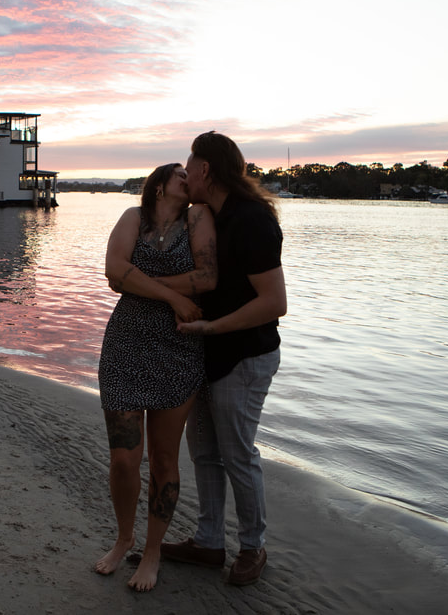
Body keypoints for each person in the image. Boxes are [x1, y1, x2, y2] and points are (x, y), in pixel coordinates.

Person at [161, 131, 287, 587]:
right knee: (205, 454)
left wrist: (211, 328)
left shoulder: (251, 219)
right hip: (207, 354)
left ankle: (253, 547)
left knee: (237, 454)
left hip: (244, 355)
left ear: (206, 170)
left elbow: (274, 302)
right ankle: (210, 541)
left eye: (189, 166)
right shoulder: (211, 215)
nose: (185, 173)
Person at [95, 163, 217, 592]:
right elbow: (113, 270)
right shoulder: (133, 218)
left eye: (191, 172)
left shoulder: (198, 218)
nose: (188, 178)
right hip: (125, 346)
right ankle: (124, 537)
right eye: (179, 173)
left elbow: (207, 278)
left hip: (178, 349)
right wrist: (169, 294)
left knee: (165, 459)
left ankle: (152, 552)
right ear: (160, 183)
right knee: (124, 457)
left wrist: (138, 280)